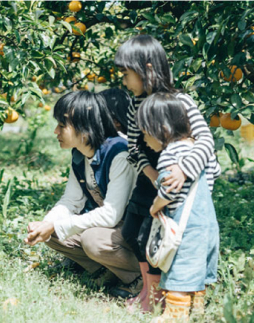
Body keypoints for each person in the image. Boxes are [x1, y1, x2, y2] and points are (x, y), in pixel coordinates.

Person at [112, 34, 221, 311]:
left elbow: (205, 140)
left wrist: (184, 171)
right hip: (154, 174)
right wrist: (151, 175)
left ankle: (162, 296)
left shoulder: (180, 101)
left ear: (147, 69)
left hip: (180, 179)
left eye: (127, 74)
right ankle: (150, 290)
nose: (124, 80)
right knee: (134, 232)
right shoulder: (134, 104)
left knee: (166, 236)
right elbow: (134, 148)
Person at [24, 90, 141, 292]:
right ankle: (106, 271)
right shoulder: (80, 154)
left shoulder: (119, 153)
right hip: (113, 228)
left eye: (62, 126)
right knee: (52, 231)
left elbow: (111, 215)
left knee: (92, 239)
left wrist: (55, 226)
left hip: (135, 232)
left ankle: (138, 277)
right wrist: (47, 224)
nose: (55, 132)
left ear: (84, 129)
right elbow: (71, 200)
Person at [136, 92, 219, 322]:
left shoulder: (169, 154)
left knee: (180, 269)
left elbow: (169, 190)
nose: (144, 139)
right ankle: (197, 310)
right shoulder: (198, 151)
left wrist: (155, 205)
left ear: (161, 128)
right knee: (198, 269)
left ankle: (175, 314)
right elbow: (214, 173)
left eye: (145, 132)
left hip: (186, 227)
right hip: (207, 224)